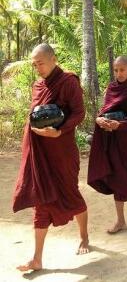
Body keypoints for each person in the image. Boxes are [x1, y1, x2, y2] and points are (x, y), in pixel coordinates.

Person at [13, 43, 89, 272]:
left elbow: (79, 112)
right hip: (41, 153)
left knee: (71, 195)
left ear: (53, 59)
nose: (37, 68)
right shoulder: (38, 84)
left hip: (61, 152)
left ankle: (84, 237)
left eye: (41, 63)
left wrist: (60, 130)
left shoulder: (68, 81)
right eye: (34, 64)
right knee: (41, 202)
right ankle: (37, 259)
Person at [88, 56, 127, 234]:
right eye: (116, 70)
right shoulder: (112, 88)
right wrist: (99, 119)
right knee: (117, 176)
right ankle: (121, 220)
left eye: (122, 69)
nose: (119, 73)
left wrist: (122, 125)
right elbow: (106, 109)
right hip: (113, 137)